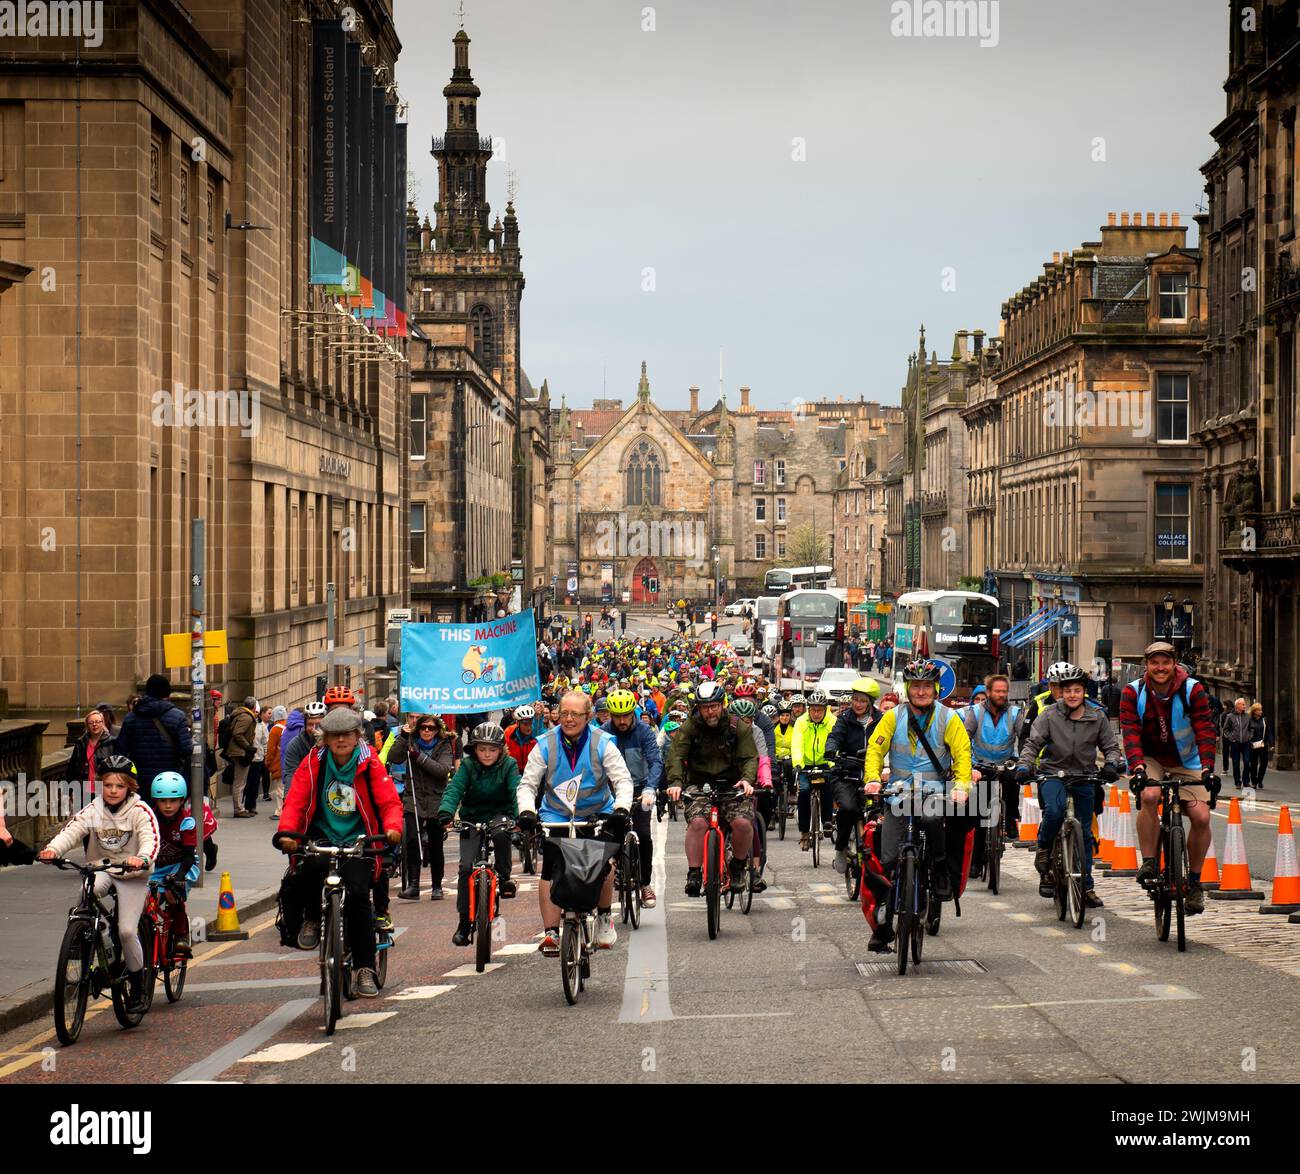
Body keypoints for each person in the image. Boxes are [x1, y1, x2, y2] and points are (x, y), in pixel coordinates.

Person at [274, 707, 403, 998]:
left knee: (358, 895)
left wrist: (393, 828)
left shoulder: (369, 762)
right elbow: (295, 800)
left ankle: (365, 969)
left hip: (359, 838)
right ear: (325, 739)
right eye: (335, 736)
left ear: (357, 736)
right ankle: (312, 917)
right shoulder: (314, 762)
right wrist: (287, 833)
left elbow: (388, 802)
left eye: (347, 734)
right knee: (309, 868)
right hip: (322, 835)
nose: (341, 740)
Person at [864, 660, 972, 951]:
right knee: (887, 858)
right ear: (908, 689)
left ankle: (937, 869)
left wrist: (962, 787)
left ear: (935, 689)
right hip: (898, 793)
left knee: (934, 820)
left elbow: (962, 756)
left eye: (927, 686)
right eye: (916, 686)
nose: (921, 692)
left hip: (934, 791)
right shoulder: (892, 717)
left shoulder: (949, 719)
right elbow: (876, 748)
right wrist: (873, 778)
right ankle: (885, 920)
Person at [39, 755, 159, 1015]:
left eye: (119, 786)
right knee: (87, 892)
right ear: (100, 786)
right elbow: (72, 830)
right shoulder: (93, 809)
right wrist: (52, 850)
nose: (113, 791)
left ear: (129, 787)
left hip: (132, 875)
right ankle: (87, 938)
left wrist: (143, 858)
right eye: (107, 785)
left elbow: (150, 839)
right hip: (102, 868)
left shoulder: (140, 811)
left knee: (127, 931)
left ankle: (137, 985)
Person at [517, 690, 634, 955]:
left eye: (575, 714)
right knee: (550, 865)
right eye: (564, 713)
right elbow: (528, 784)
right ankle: (550, 933)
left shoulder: (603, 742)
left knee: (604, 862)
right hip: (556, 814)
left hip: (596, 812)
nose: (568, 719)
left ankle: (604, 916)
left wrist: (621, 808)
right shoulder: (545, 743)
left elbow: (623, 780)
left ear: (589, 716)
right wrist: (527, 811)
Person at [1118, 641, 1219, 916]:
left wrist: (1208, 768)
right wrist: (1137, 767)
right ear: (1146, 666)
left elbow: (1205, 729)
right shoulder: (1133, 691)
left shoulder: (1192, 689)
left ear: (1174, 664)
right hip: (1150, 759)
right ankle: (1149, 862)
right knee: (1150, 795)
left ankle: (1195, 883)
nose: (1160, 668)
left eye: (1165, 662)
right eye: (1154, 663)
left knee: (1201, 817)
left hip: (1188, 760)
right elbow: (1129, 732)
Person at [1016, 663, 1121, 909]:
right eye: (1067, 690)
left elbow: (1111, 747)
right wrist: (1024, 766)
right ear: (1060, 692)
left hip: (1085, 775)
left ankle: (1086, 886)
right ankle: (1044, 848)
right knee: (1053, 811)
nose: (1072, 695)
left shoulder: (1097, 716)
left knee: (1085, 832)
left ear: (1084, 691)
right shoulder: (1049, 715)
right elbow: (1032, 744)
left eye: (1077, 690)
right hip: (1054, 774)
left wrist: (1112, 765)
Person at [665, 680, 759, 898]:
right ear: (698, 708)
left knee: (743, 824)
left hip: (732, 786)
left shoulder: (738, 727)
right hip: (699, 786)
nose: (710, 712)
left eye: (714, 706)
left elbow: (749, 757)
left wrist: (746, 780)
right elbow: (676, 756)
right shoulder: (690, 727)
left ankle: (737, 866)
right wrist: (676, 783)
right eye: (705, 707)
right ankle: (694, 874)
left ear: (722, 704)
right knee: (698, 823)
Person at [437, 723, 520, 946]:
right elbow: (455, 788)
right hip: (471, 817)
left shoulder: (509, 765)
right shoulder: (467, 766)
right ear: (474, 749)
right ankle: (464, 923)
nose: (486, 754)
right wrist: (445, 812)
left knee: (502, 834)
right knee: (465, 868)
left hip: (500, 814)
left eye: (492, 749)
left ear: (501, 750)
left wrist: (521, 815)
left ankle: (504, 878)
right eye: (482, 749)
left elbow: (515, 789)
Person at [605, 688, 663, 907]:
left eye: (626, 716)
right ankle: (618, 864)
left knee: (644, 835)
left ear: (633, 713)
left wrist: (650, 789)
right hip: (612, 793)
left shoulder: (645, 732)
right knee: (611, 836)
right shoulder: (602, 733)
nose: (621, 721)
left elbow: (656, 762)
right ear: (610, 715)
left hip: (640, 790)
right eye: (617, 716)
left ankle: (645, 884)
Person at [388, 713, 454, 900]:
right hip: (413, 797)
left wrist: (418, 757)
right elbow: (394, 757)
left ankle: (437, 886)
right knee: (411, 841)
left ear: (437, 730)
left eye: (431, 728)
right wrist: (402, 737)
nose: (426, 731)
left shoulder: (444, 745)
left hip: (435, 799)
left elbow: (442, 771)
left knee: (435, 845)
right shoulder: (410, 741)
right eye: (423, 727)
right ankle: (413, 885)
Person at [962, 674, 1025, 863]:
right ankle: (976, 860)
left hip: (1006, 761)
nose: (1001, 695)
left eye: (1004, 691)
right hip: (980, 764)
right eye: (997, 691)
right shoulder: (975, 712)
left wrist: (1025, 761)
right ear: (988, 692)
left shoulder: (1015, 713)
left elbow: (1024, 738)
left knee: (1014, 780)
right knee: (980, 813)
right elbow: (965, 738)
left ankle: (1011, 818)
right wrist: (966, 764)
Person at [825, 678, 882, 874]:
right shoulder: (844, 719)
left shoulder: (882, 720)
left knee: (880, 813)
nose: (857, 704)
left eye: (862, 700)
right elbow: (835, 736)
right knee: (848, 809)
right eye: (855, 699)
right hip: (846, 774)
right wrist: (831, 749)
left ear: (871, 703)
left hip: (874, 776)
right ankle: (841, 848)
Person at [147, 771, 200, 959]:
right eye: (163, 801)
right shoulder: (149, 820)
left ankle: (181, 935)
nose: (168, 806)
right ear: (156, 801)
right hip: (155, 868)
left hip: (181, 866)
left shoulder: (186, 822)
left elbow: (188, 857)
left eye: (173, 800)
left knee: (171, 894)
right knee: (145, 901)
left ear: (182, 801)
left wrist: (177, 877)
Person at [115, 673, 193, 799]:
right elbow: (186, 750)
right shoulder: (178, 716)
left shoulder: (131, 717)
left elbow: (120, 752)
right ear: (167, 694)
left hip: (140, 781)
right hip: (169, 780)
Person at [791, 689, 836, 852]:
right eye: (813, 709)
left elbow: (835, 742)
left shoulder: (833, 721)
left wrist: (833, 763)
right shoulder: (801, 722)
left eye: (820, 710)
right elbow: (797, 743)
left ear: (825, 710)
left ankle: (827, 821)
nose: (816, 713)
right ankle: (804, 832)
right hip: (805, 765)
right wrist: (798, 763)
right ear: (808, 709)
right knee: (803, 792)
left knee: (828, 788)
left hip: (826, 763)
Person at [67, 708, 117, 800]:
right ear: (87, 726)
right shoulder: (81, 743)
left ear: (103, 723)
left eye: (98, 722)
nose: (95, 725)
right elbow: (72, 768)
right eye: (91, 723)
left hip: (103, 787)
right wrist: (69, 790)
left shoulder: (112, 742)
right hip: (83, 787)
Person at [281, 701, 325, 798]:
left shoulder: (333, 743)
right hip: (306, 791)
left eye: (318, 725)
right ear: (304, 725)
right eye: (310, 724)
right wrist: (288, 801)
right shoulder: (295, 745)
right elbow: (291, 774)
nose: (314, 729)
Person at [225, 696, 260, 818]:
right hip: (240, 752)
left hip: (239, 751)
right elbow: (237, 733)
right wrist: (247, 747)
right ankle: (239, 808)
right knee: (240, 781)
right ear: (254, 707)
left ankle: (240, 807)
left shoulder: (243, 714)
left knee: (240, 781)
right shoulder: (246, 717)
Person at [1221, 697, 1254, 790]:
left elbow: (1251, 728)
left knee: (1247, 762)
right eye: (1243, 704)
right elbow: (1225, 729)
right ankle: (1237, 783)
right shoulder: (1230, 716)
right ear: (1237, 705)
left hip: (1246, 743)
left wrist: (1249, 736)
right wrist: (1231, 738)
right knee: (1236, 763)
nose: (1245, 706)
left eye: (1244, 704)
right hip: (1235, 743)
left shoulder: (1248, 716)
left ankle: (1246, 781)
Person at [266, 706, 288, 818]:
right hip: (288, 761)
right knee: (286, 787)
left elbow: (271, 749)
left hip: (278, 762)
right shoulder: (288, 726)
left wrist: (268, 762)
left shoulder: (275, 729)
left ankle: (280, 811)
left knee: (280, 789)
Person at [1248, 702, 1272, 790]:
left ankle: (1260, 780)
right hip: (1253, 746)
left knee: (1264, 763)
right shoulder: (1249, 720)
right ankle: (1254, 782)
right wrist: (1249, 742)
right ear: (1254, 711)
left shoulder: (1264, 720)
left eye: (1261, 710)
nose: (1261, 711)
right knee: (1253, 764)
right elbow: (1246, 732)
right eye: (1259, 710)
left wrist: (1271, 743)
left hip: (1263, 745)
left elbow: (1269, 732)